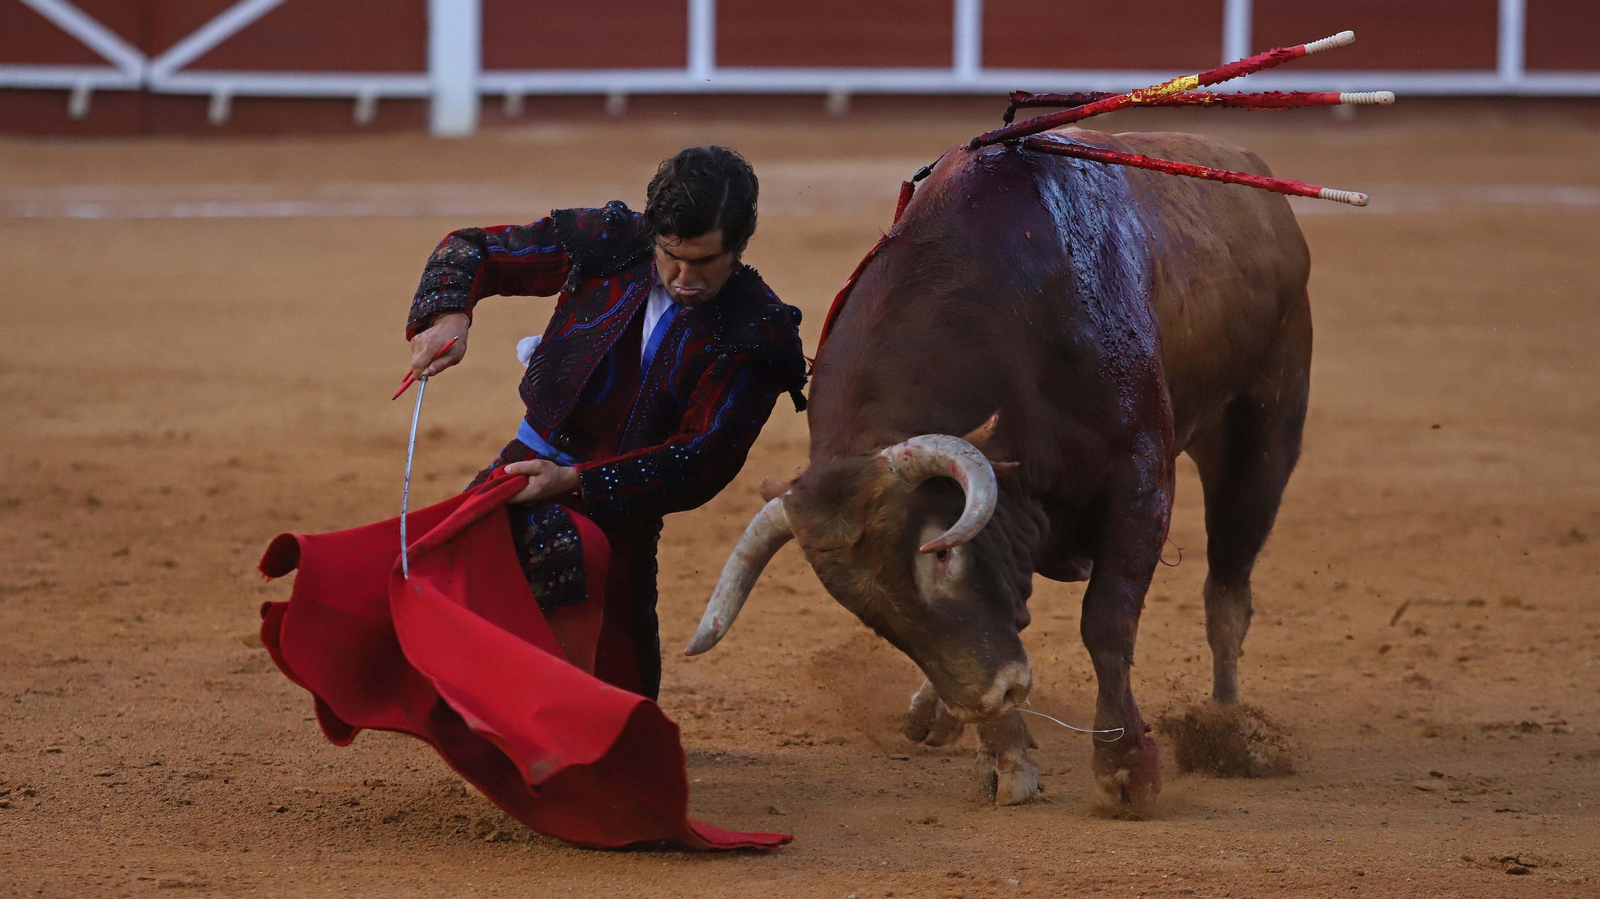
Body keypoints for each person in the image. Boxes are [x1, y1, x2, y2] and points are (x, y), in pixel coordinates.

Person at [402, 145, 807, 700]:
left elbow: (700, 459)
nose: (685, 278)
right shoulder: (614, 241)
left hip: (621, 507)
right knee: (440, 594)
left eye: (705, 262)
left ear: (738, 247)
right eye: (672, 256)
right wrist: (450, 314)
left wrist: (576, 482)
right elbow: (474, 249)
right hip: (521, 470)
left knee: (619, 708)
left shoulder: (755, 330)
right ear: (654, 234)